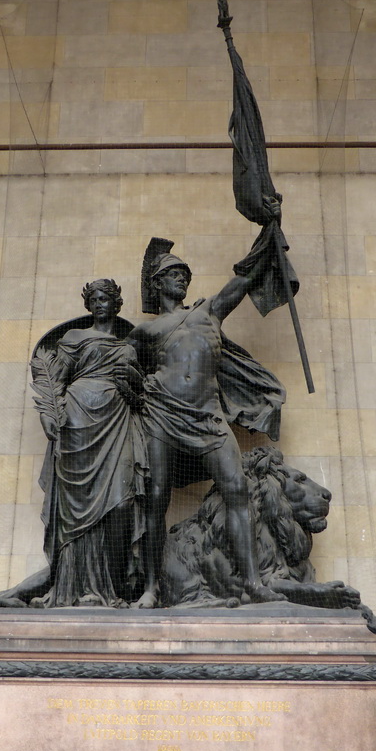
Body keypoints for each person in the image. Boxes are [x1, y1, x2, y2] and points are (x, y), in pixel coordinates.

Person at [128, 204, 287, 609]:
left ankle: (252, 581)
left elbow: (245, 278)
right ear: (157, 282)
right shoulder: (145, 332)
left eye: (185, 274)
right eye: (174, 273)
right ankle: (151, 587)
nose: (182, 278)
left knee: (237, 489)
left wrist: (270, 230)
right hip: (162, 415)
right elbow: (118, 372)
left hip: (208, 415)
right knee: (156, 496)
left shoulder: (209, 311)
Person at [33, 279, 147, 607]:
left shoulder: (130, 346)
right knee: (76, 508)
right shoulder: (74, 338)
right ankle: (73, 589)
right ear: (88, 304)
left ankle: (113, 589)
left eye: (105, 298)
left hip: (118, 422)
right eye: (94, 299)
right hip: (78, 420)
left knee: (122, 503)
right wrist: (47, 414)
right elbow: (52, 376)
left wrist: (135, 393)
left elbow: (143, 392)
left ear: (116, 303)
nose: (99, 304)